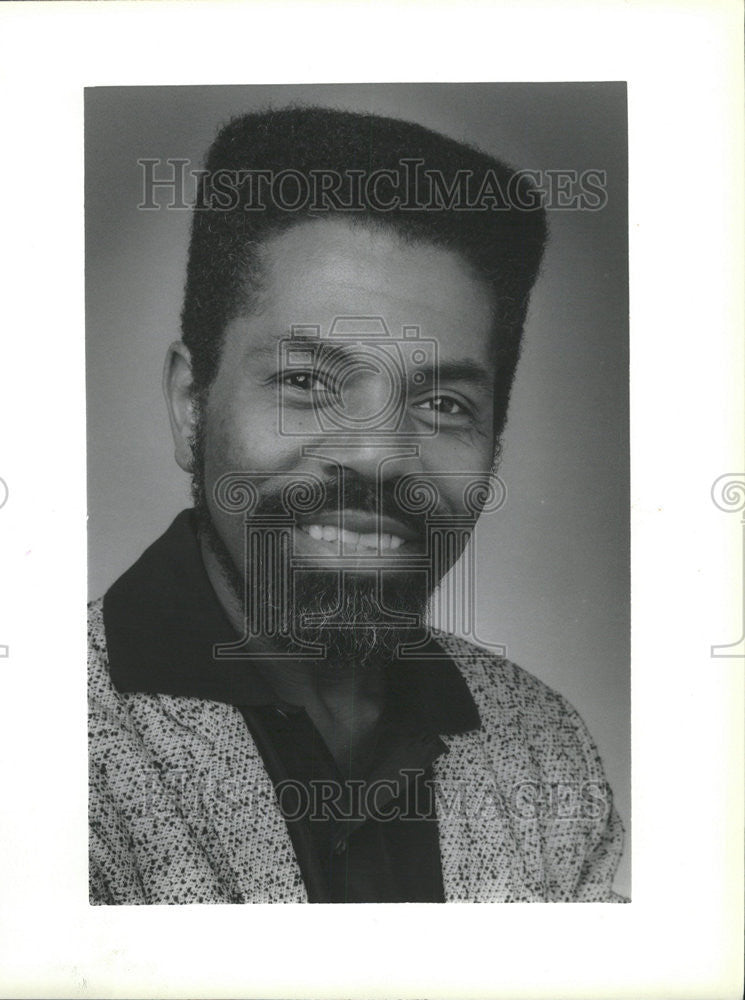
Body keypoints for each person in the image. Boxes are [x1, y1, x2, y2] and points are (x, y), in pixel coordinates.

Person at [88, 106, 625, 904]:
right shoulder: (31, 742)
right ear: (190, 403)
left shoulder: (547, 754)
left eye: (443, 404)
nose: (378, 455)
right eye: (307, 383)